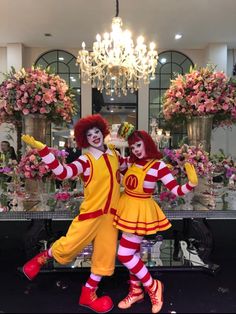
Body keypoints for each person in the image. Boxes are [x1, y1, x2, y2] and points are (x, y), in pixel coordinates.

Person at [21, 114, 127, 314]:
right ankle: (42, 258)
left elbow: (126, 166)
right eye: (89, 135)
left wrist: (144, 156)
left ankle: (88, 294)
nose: (94, 136)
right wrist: (44, 151)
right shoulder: (85, 160)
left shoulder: (114, 154)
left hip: (111, 216)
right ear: (83, 139)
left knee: (105, 255)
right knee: (70, 245)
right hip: (91, 213)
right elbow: (63, 173)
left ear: (103, 132)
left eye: (96, 131)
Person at [113, 122, 198, 314]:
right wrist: (113, 147)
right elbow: (116, 164)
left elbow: (175, 190)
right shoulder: (130, 161)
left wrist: (191, 184)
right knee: (132, 253)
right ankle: (136, 291)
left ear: (147, 143)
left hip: (141, 211)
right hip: (126, 206)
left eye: (139, 145)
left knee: (124, 254)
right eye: (133, 146)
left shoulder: (158, 166)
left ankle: (152, 285)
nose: (136, 149)